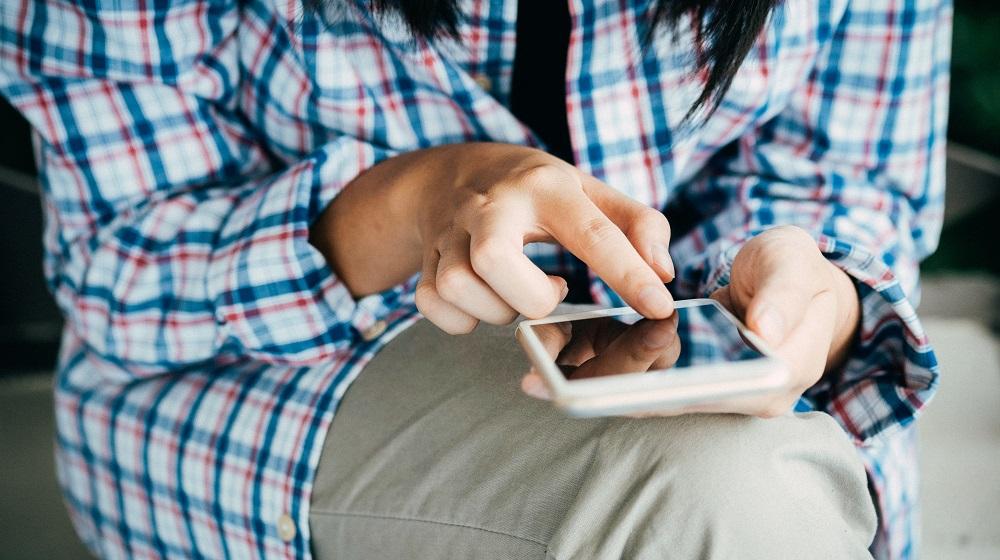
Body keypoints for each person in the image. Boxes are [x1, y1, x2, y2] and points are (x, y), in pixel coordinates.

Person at [0, 0, 949, 558]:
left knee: (756, 477)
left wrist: (818, 295)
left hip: (667, 339)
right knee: (724, 494)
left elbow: (847, 176)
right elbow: (114, 265)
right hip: (261, 375)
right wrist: (415, 202)